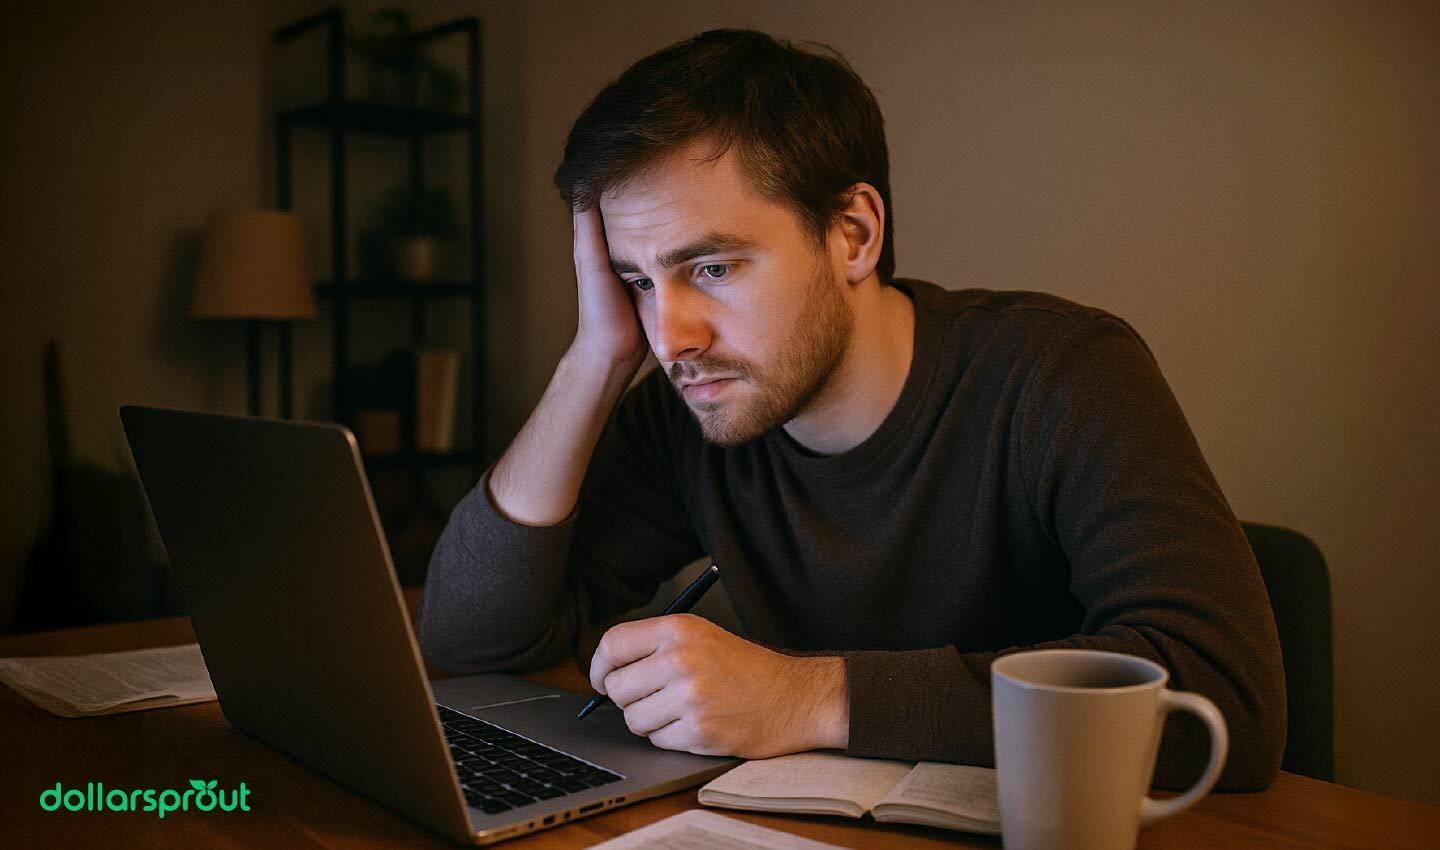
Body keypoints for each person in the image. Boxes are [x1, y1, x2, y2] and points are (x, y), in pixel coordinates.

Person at [418, 28, 1285, 791]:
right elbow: (474, 645)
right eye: (639, 281)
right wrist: (593, 360)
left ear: (854, 235)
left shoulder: (1060, 373)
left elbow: (1223, 703)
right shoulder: (693, 406)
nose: (671, 335)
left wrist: (809, 697)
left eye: (712, 268)